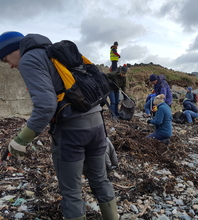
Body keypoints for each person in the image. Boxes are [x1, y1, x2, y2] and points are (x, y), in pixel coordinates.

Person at [0, 31, 118, 220]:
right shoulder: (55, 52)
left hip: (72, 133)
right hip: (97, 125)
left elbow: (46, 106)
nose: (11, 66)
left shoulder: (29, 59)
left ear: (15, 49)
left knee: (71, 192)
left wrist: (21, 140)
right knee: (100, 180)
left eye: (6, 59)